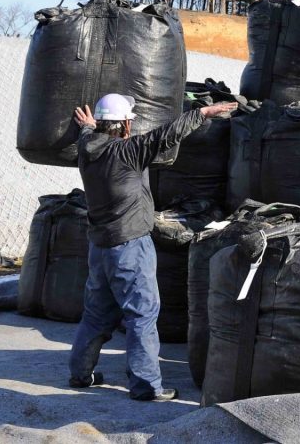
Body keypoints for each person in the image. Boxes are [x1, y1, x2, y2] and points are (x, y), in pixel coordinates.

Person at [68, 93, 237, 401]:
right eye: (129, 121)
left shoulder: (86, 149)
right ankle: (147, 386)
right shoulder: (127, 153)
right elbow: (167, 134)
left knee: (95, 314)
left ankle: (80, 373)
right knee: (142, 315)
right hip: (130, 247)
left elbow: (93, 134)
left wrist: (89, 127)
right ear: (122, 126)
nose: (132, 126)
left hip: (100, 247)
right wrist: (204, 113)